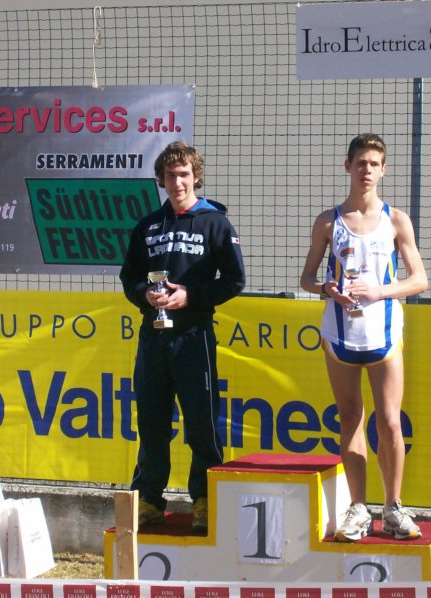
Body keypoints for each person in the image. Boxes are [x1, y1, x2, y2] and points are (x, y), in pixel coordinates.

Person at [300, 133, 428, 542]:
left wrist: (380, 291)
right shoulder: (328, 221)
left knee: (389, 421)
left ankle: (393, 507)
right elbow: (306, 278)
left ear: (383, 170)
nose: (366, 170)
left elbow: (419, 280)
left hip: (383, 335)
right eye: (360, 163)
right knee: (351, 418)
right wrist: (326, 289)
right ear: (348, 166)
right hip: (340, 336)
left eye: (374, 164)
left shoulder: (396, 220)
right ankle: (358, 508)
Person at [120, 141, 245, 534]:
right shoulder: (148, 226)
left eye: (184, 174)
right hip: (153, 337)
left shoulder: (215, 223)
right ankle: (148, 499)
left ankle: (204, 499)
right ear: (161, 179)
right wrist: (145, 294)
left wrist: (191, 296)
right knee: (151, 421)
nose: (177, 182)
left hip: (194, 336)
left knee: (201, 424)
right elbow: (129, 276)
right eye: (170, 175)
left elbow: (235, 280)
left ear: (196, 177)